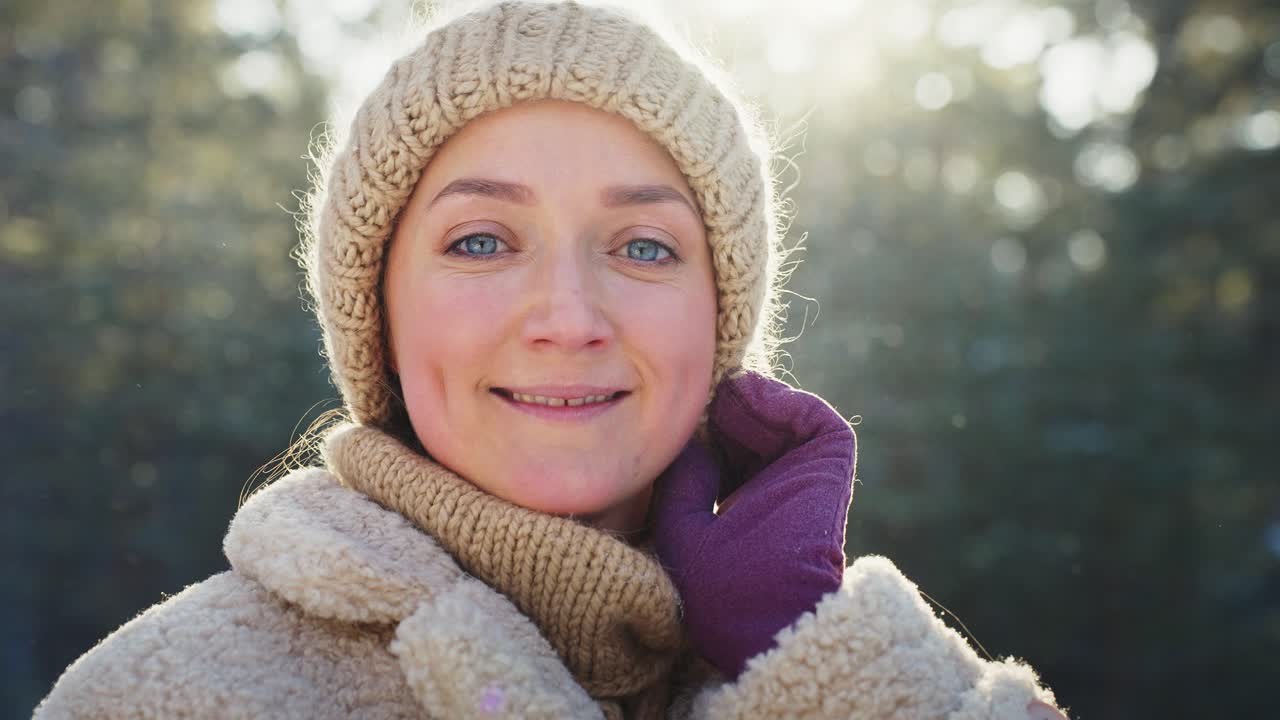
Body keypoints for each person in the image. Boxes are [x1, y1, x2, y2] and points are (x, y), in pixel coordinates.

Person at [35, 1, 1068, 718]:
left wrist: (806, 652)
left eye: (644, 247)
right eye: (481, 241)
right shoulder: (171, 698)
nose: (568, 317)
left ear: (719, 321)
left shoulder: (861, 678)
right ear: (376, 315)